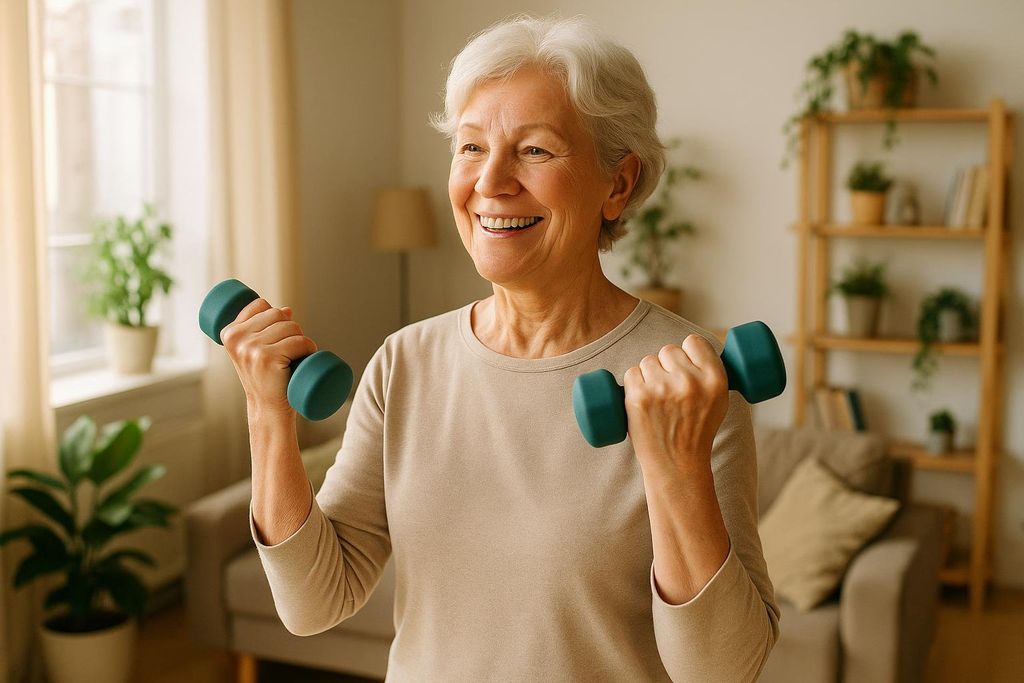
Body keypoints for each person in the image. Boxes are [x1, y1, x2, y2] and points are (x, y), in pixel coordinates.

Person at [226, 14, 779, 682]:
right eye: (469, 147)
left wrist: (675, 467)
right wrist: (266, 415)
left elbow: (724, 671)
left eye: (536, 150)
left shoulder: (692, 382)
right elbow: (314, 601)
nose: (491, 181)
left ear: (619, 182)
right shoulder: (405, 364)